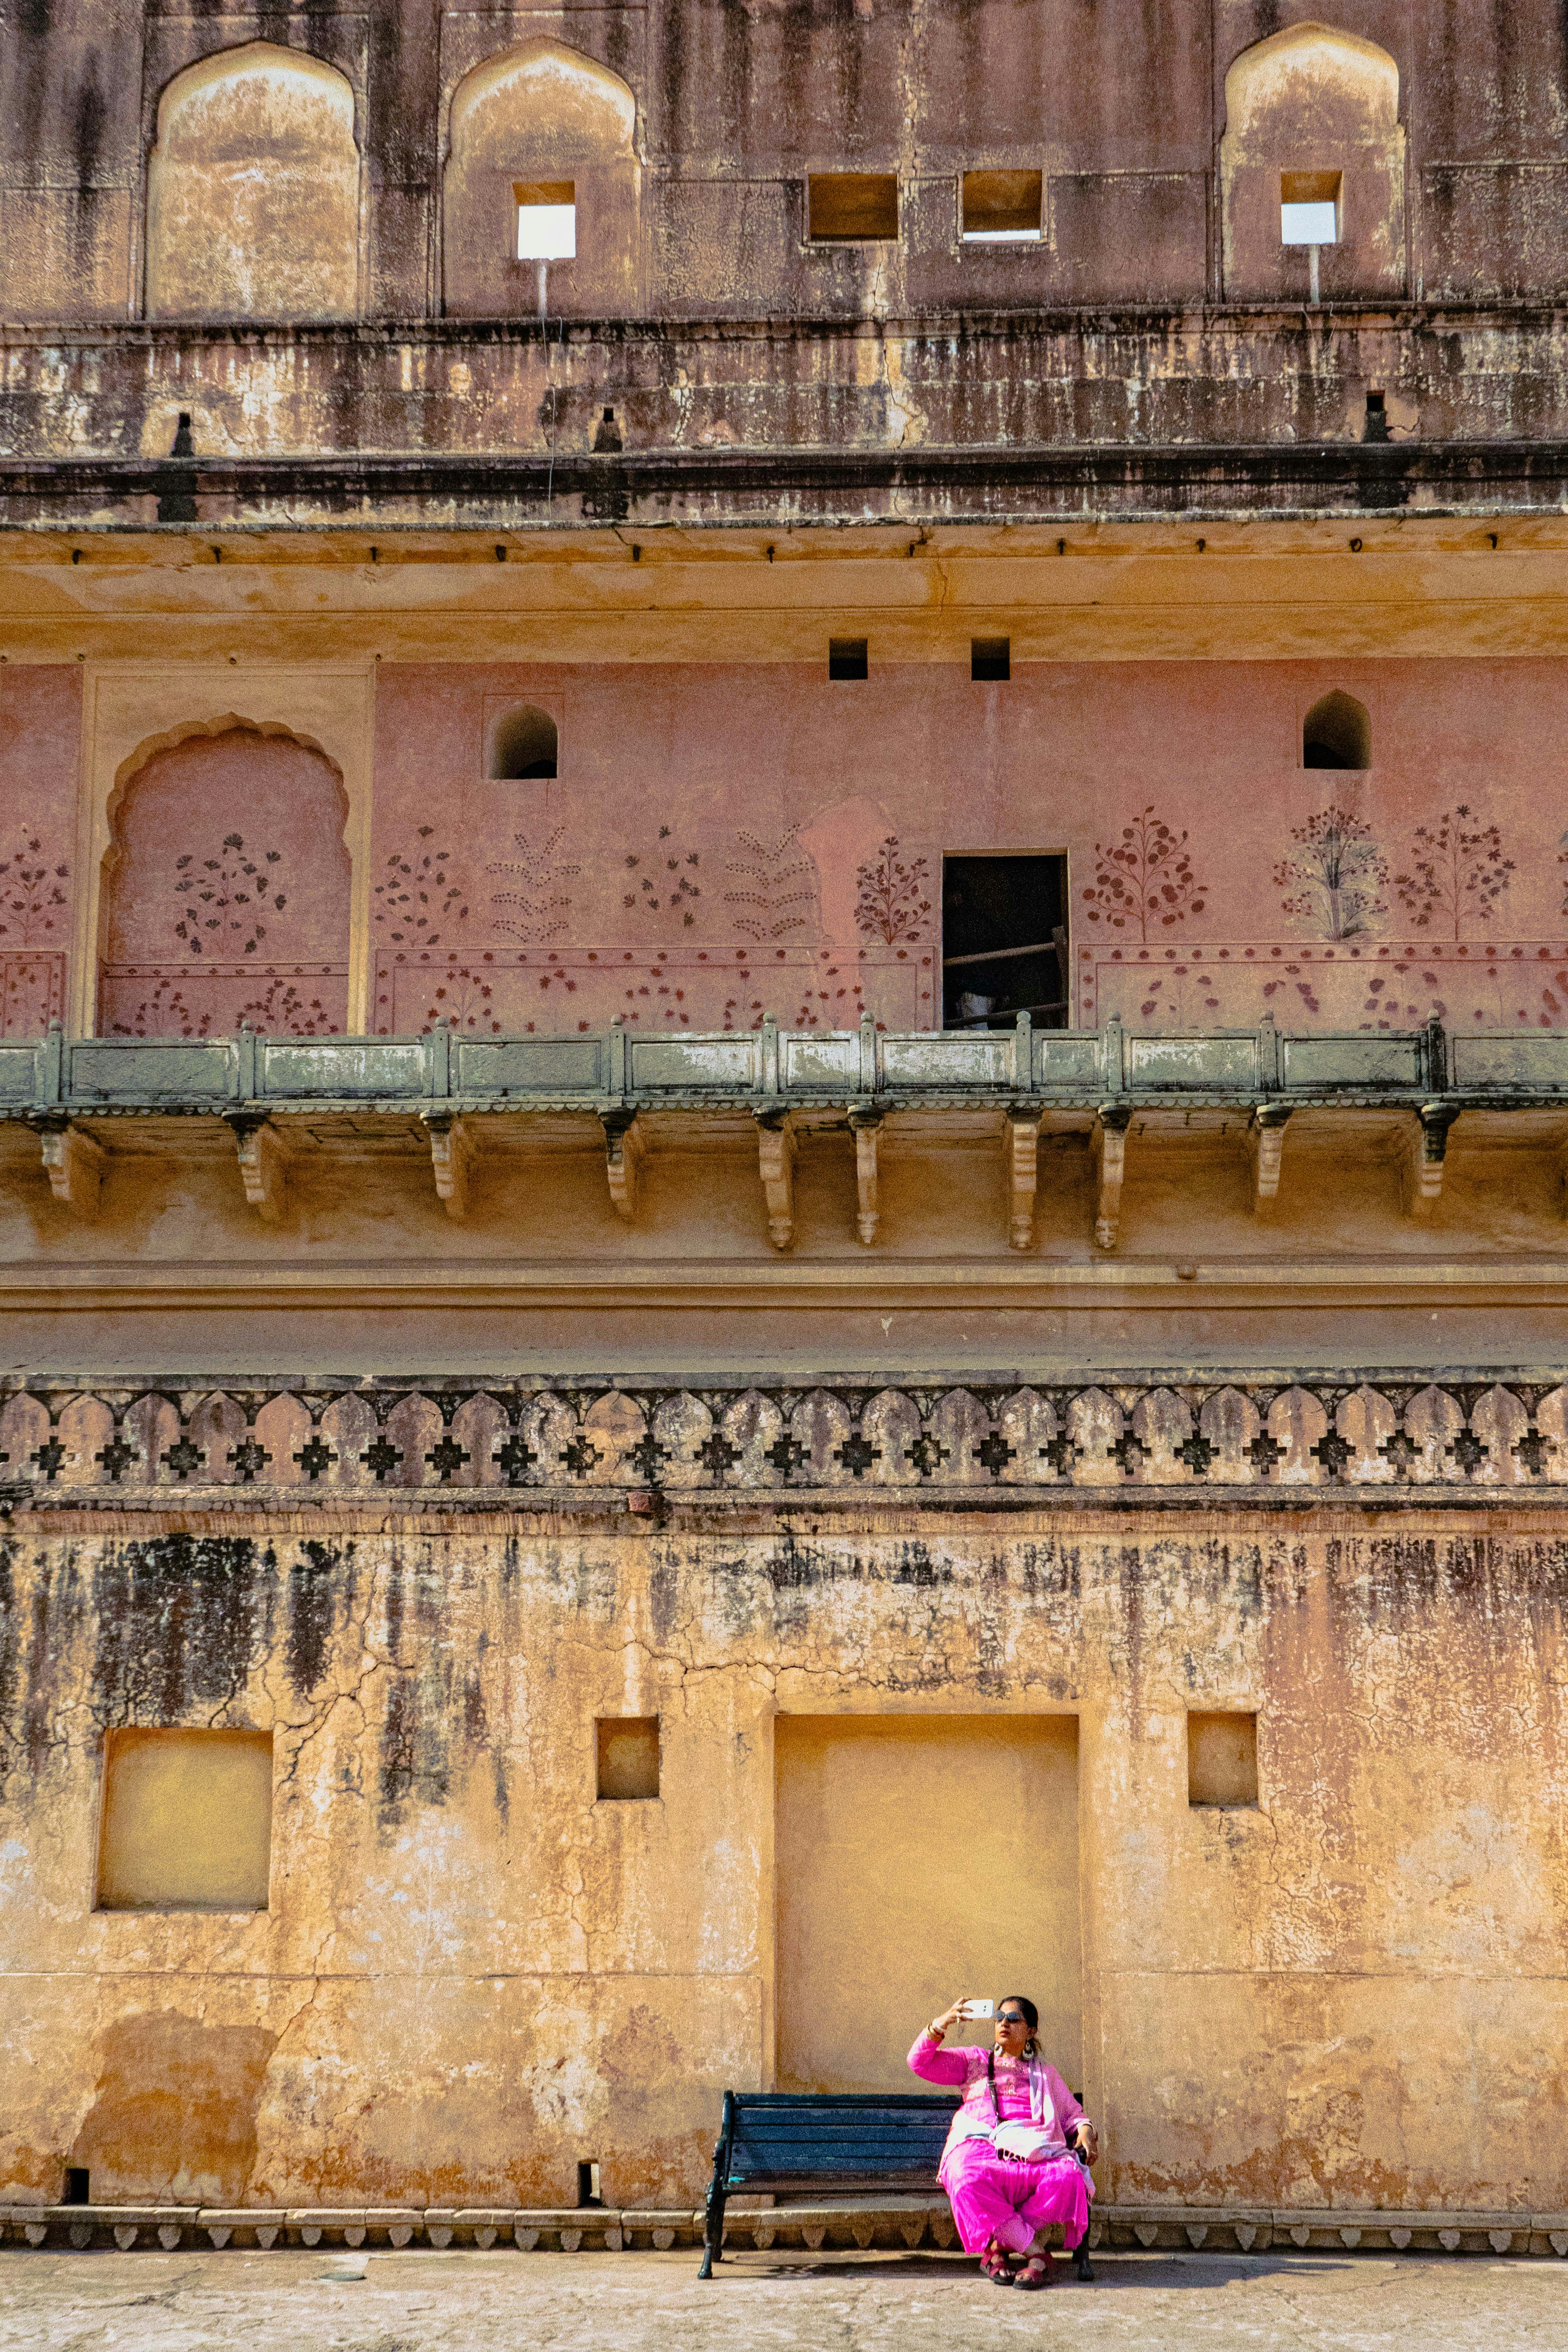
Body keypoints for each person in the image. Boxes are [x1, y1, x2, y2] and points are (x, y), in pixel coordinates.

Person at [907, 1994, 1097, 2288]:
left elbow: (1075, 2116)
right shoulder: (974, 2061)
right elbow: (919, 2062)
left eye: (1013, 2018)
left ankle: (998, 2249)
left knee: (1069, 2176)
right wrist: (942, 2022)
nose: (1004, 2023)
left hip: (1034, 2154)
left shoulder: (1044, 2073)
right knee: (963, 2174)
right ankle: (1036, 2255)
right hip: (983, 2152)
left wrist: (1086, 2136)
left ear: (1031, 2031)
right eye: (999, 2017)